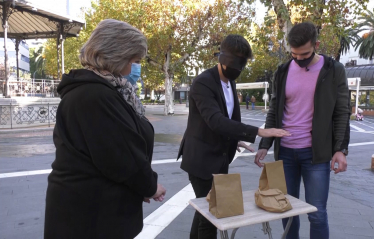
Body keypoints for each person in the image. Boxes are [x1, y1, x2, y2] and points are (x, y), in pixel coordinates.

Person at [44, 19, 166, 239]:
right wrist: (150, 186)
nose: (134, 68)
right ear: (117, 55)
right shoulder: (95, 95)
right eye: (134, 60)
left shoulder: (101, 90)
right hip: (90, 218)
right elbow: (123, 157)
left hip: (92, 211)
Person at [177, 34, 290, 239]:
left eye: (243, 63)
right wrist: (258, 131)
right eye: (236, 62)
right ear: (222, 57)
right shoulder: (203, 83)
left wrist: (234, 139)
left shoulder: (229, 83)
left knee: (207, 212)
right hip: (201, 160)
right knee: (209, 215)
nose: (239, 69)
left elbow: (224, 119)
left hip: (220, 158)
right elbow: (215, 120)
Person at [254, 22, 350, 239]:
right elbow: (274, 112)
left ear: (316, 44)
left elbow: (342, 112)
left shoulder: (334, 70)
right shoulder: (282, 71)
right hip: (285, 153)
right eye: (294, 54)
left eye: (304, 54)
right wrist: (265, 145)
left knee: (317, 213)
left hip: (315, 155)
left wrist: (340, 149)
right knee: (286, 211)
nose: (298, 59)